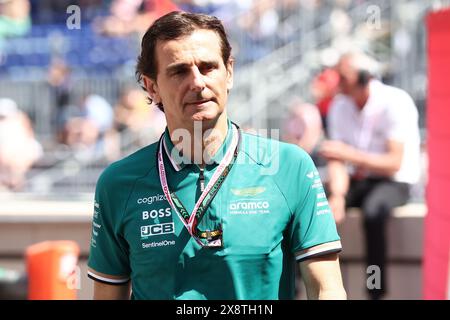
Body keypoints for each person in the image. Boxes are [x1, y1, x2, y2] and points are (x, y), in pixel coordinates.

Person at [87, 11, 346, 300]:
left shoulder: (289, 166)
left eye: (208, 67)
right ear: (152, 87)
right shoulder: (119, 182)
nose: (197, 82)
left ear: (229, 72)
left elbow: (327, 288)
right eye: (179, 71)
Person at [319, 52, 421, 300]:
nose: (337, 82)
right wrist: (337, 196)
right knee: (311, 203)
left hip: (394, 181)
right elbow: (336, 158)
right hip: (358, 180)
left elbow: (393, 164)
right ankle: (303, 283)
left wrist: (350, 155)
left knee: (374, 213)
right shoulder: (339, 105)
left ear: (363, 77)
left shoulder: (395, 101)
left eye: (343, 77)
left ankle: (375, 292)